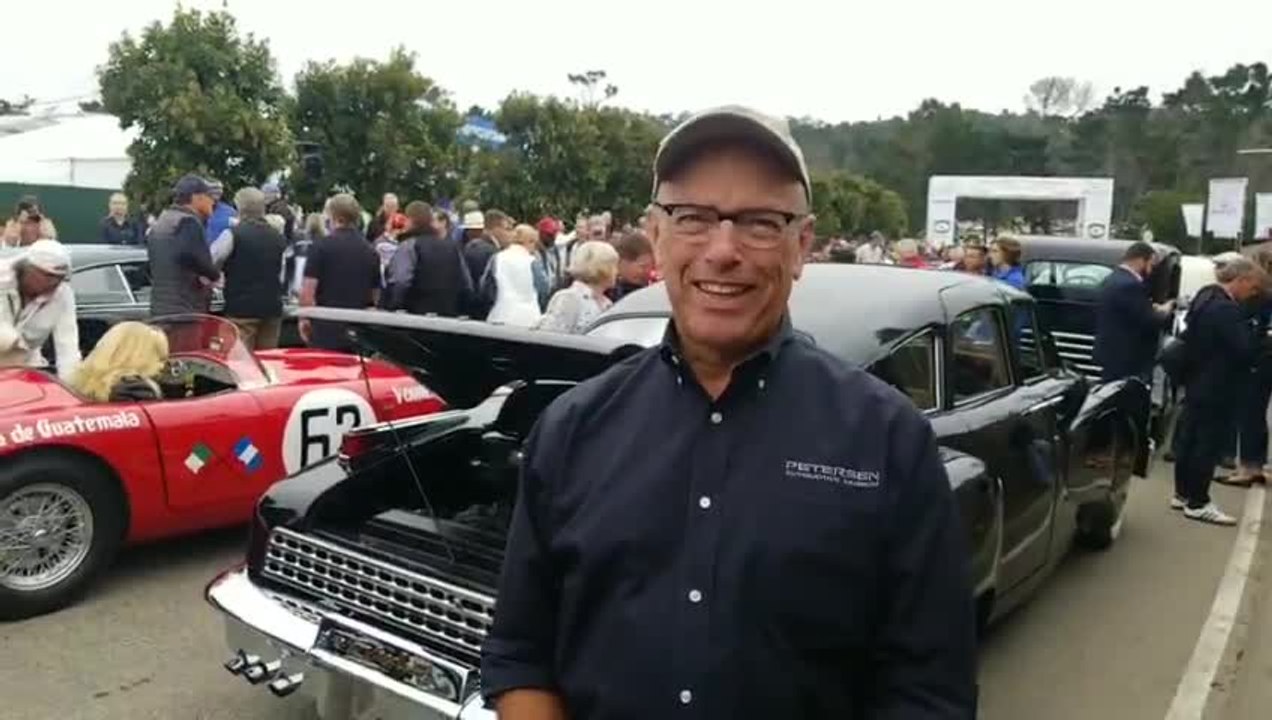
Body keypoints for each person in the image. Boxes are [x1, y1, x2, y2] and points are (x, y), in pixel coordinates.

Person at [481, 105, 977, 719]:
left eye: (760, 223)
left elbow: (929, 692)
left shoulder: (887, 439)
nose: (723, 250)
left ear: (801, 245)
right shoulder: (573, 427)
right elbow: (520, 655)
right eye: (692, 218)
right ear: (656, 237)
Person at [1172, 256, 1267, 525]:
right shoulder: (1226, 310)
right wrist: (1263, 338)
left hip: (1196, 378)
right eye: (1253, 288)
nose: (1252, 295)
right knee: (1207, 443)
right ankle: (1198, 501)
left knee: (1189, 439)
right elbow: (1244, 350)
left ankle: (1182, 493)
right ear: (1242, 279)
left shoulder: (1205, 297)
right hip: (1218, 383)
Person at [299, 193, 381, 351]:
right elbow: (375, 295)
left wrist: (304, 318)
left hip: (325, 326)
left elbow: (308, 290)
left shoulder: (320, 247)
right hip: (358, 329)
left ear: (332, 215)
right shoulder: (371, 251)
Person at [210, 187, 288, 350]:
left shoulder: (232, 234)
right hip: (272, 308)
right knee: (267, 360)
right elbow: (282, 273)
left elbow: (211, 261)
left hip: (241, 309)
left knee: (241, 363)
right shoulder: (278, 237)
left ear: (239, 208)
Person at [1093, 242, 1174, 382]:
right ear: (1141, 260)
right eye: (1151, 264)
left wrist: (1149, 307)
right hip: (1127, 356)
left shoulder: (1113, 278)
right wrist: (1166, 310)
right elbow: (1148, 320)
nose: (1152, 269)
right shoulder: (1130, 285)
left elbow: (1128, 310)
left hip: (1113, 351)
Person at [0, 239, 80, 380]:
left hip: (23, 369)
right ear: (28, 269)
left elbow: (68, 348)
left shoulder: (63, 294)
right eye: (49, 276)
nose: (55, 283)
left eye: (60, 278)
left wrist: (73, 389)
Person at [148, 175, 219, 317]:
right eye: (209, 196)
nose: (214, 201)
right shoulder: (188, 222)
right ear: (196, 197)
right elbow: (199, 261)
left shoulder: (162, 221)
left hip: (159, 306)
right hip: (185, 308)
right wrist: (214, 275)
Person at [390, 201, 473, 317]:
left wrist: (395, 305)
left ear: (411, 220)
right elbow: (467, 284)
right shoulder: (453, 248)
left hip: (415, 318)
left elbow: (401, 281)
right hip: (448, 316)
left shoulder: (409, 246)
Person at [69, 321, 168, 402]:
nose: (162, 366)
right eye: (158, 358)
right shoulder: (138, 390)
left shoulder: (79, 384)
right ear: (135, 356)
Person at [536, 241, 617, 334]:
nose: (617, 272)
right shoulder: (569, 298)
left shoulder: (607, 303)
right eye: (614, 266)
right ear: (602, 268)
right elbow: (552, 339)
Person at [484, 224, 545, 328]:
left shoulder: (497, 258)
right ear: (529, 242)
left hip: (499, 315)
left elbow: (486, 287)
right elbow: (543, 289)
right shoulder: (533, 262)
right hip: (529, 319)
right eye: (535, 243)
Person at [608, 230, 655, 302]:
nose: (646, 271)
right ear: (621, 262)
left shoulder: (652, 291)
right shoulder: (608, 292)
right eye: (642, 266)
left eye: (650, 266)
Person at [205, 179, 238, 245]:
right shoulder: (196, 210)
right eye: (214, 188)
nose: (218, 191)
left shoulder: (230, 212)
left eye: (220, 188)